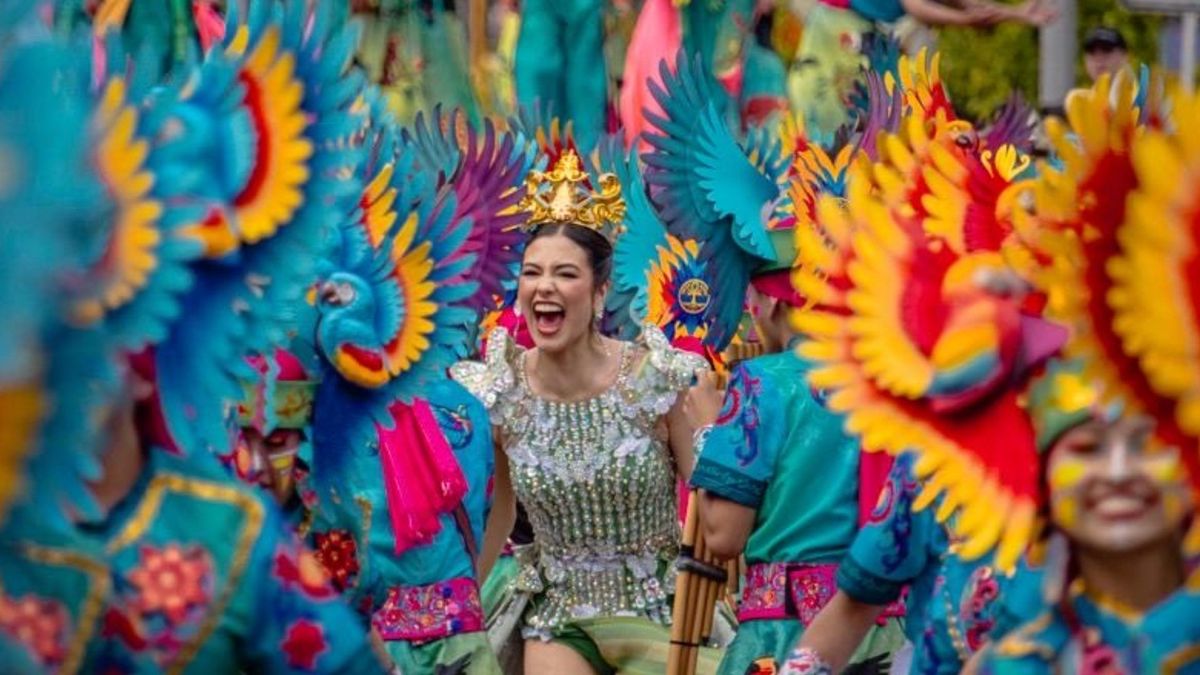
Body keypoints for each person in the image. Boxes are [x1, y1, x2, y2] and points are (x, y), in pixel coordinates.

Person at [452, 148, 709, 675]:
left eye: (565, 274)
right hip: (559, 615)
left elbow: (708, 502)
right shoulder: (502, 392)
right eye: (531, 273)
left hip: (659, 610)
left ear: (599, 292)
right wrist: (458, 610)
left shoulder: (654, 378)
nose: (544, 286)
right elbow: (501, 514)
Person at [684, 228, 907, 675]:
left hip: (787, 635)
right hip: (886, 634)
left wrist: (707, 432)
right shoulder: (896, 381)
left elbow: (724, 537)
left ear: (771, 303)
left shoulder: (762, 382)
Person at [788, 0, 1055, 139]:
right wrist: (966, 20)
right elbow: (918, 8)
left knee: (900, 107)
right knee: (853, 116)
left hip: (867, 36)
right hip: (838, 34)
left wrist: (1017, 14)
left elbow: (973, 7)